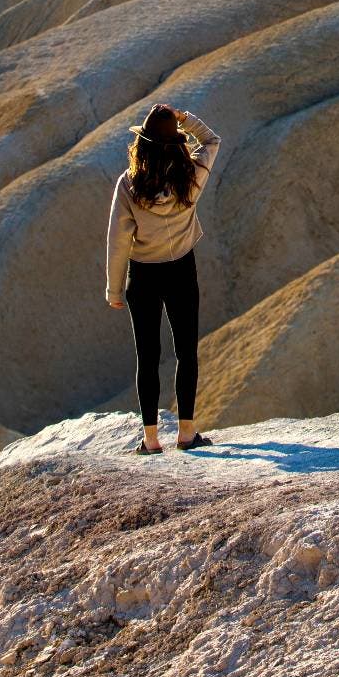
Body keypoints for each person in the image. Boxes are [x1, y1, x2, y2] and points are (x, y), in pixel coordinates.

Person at [105, 103, 223, 454]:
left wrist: (114, 289)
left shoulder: (128, 185)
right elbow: (212, 140)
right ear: (176, 144)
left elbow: (117, 241)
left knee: (147, 356)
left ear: (141, 145)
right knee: (186, 351)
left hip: (142, 274)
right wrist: (186, 119)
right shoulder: (190, 177)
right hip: (181, 269)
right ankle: (186, 434)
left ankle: (151, 439)